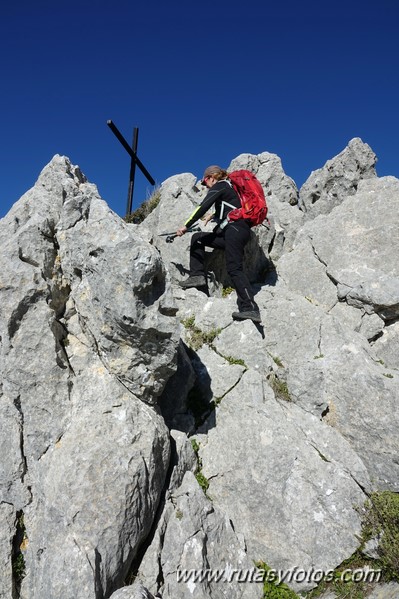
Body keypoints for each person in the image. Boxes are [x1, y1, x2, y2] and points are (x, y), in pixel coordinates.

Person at [176, 165, 261, 323]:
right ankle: (197, 276)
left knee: (234, 268)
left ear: (211, 177)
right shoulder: (230, 188)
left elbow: (202, 206)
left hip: (235, 230)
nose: (205, 185)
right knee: (198, 238)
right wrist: (214, 214)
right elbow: (232, 206)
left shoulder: (220, 185)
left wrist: (185, 225)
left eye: (205, 182)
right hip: (235, 232)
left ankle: (250, 308)